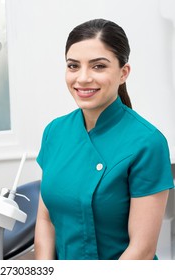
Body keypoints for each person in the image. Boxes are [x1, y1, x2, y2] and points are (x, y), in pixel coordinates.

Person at [34, 18, 174, 260]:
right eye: (73, 66)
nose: (83, 78)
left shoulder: (148, 143)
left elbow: (141, 250)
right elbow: (46, 220)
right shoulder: (54, 132)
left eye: (98, 66)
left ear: (123, 73)